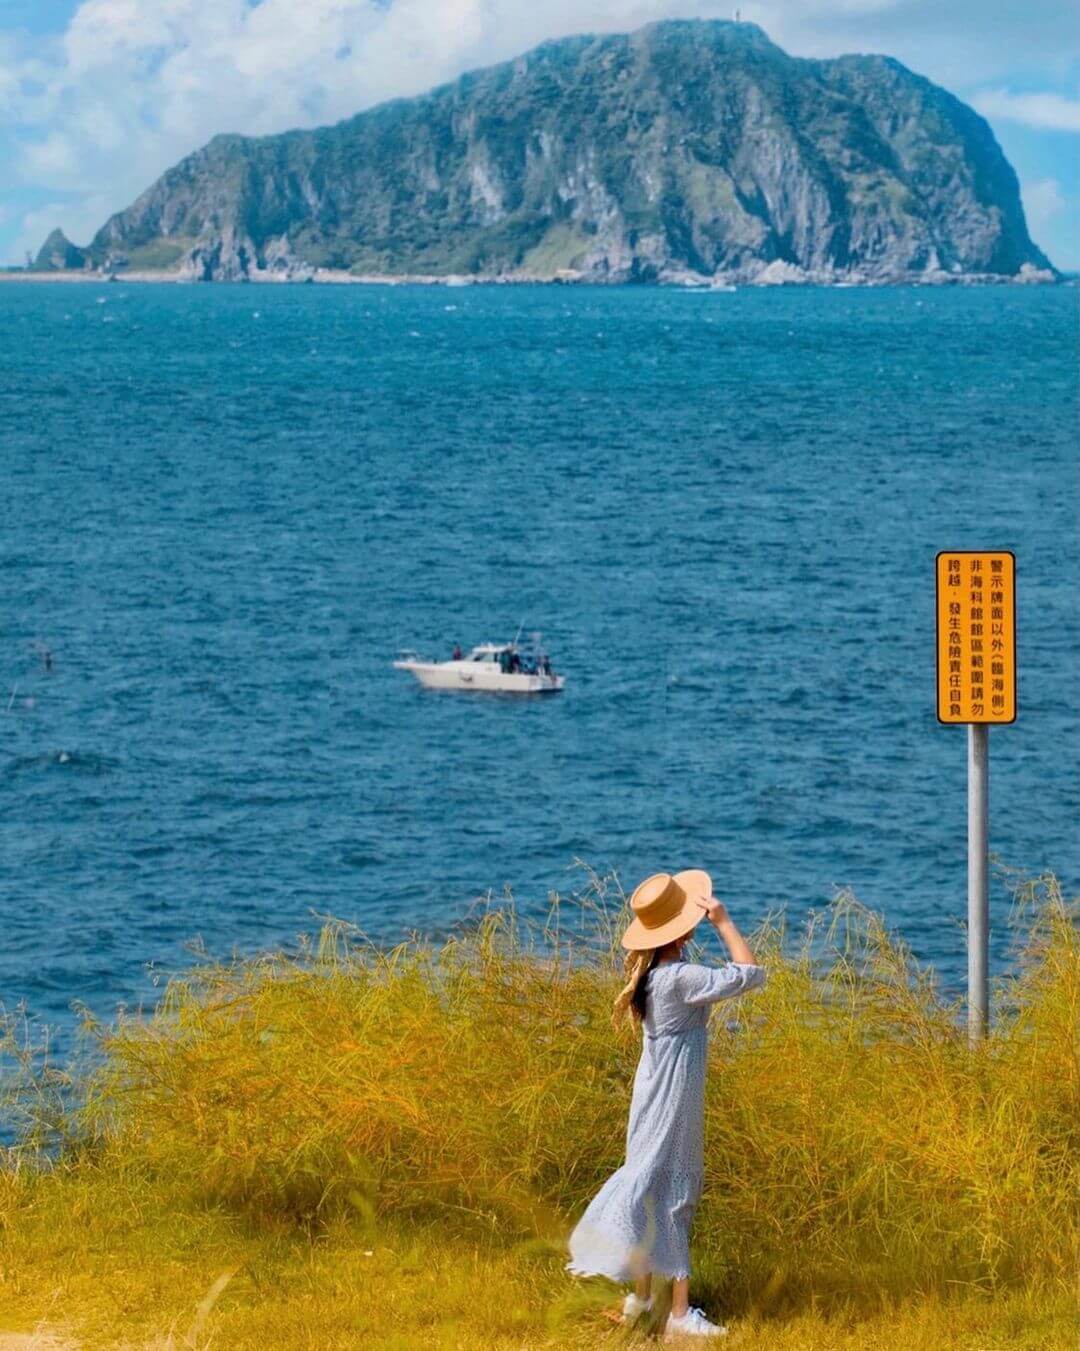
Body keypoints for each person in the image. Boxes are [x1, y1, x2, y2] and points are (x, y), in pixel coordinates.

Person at [567, 870, 765, 1340]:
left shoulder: (652, 976)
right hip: (675, 1098)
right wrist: (723, 921)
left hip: (651, 1094)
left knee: (649, 1185)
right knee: (674, 1197)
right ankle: (678, 1316)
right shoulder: (681, 977)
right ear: (683, 927)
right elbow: (751, 974)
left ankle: (644, 1300)